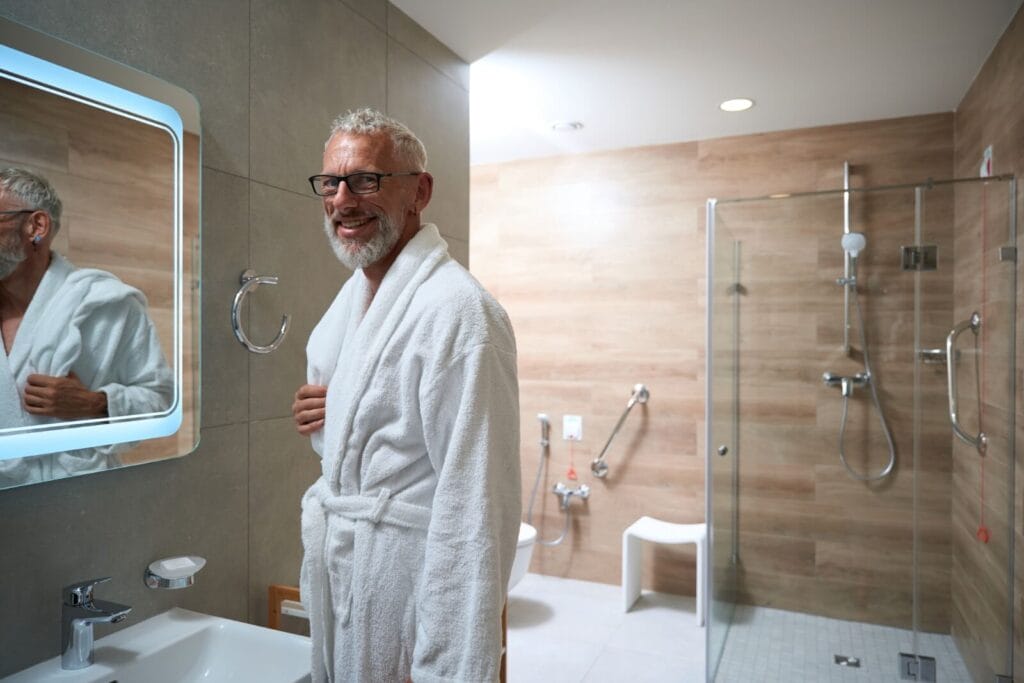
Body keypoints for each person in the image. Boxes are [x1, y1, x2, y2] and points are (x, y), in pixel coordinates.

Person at [292, 108, 521, 683]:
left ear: (419, 192)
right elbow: (360, 441)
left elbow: (477, 512)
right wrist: (328, 414)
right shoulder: (352, 304)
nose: (343, 199)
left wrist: (447, 665)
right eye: (331, 182)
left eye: (367, 180)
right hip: (350, 582)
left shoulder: (462, 315)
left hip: (408, 598)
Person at [0, 167, 173, 485]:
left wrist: (96, 405)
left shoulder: (108, 305)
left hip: (78, 501)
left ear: (36, 226)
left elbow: (162, 403)